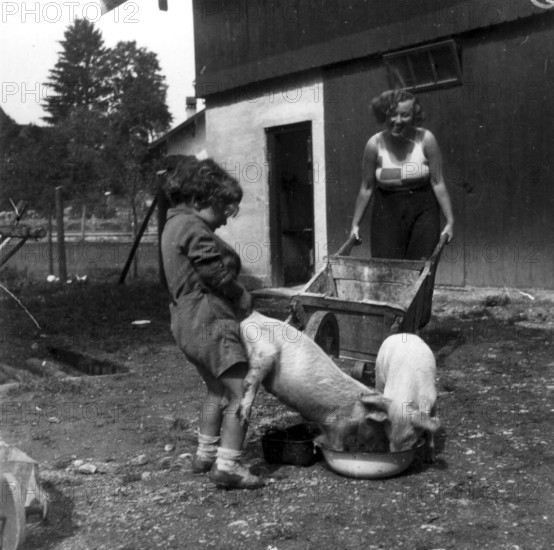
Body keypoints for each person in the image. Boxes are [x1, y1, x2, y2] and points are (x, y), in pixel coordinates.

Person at [161, 156, 263, 490]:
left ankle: (205, 453)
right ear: (199, 200)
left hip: (184, 320)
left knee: (216, 391)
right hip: (210, 317)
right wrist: (241, 294)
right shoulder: (193, 227)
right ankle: (228, 466)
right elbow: (213, 272)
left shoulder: (172, 224)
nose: (223, 222)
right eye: (222, 211)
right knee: (241, 392)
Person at [350, 89, 454, 260]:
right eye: (392, 115)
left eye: (404, 115)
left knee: (421, 268)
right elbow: (367, 188)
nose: (397, 121)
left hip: (423, 209)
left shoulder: (426, 139)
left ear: (414, 116)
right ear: (384, 115)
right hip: (387, 209)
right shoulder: (374, 144)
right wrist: (355, 225)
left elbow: (437, 182)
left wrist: (450, 221)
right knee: (387, 267)